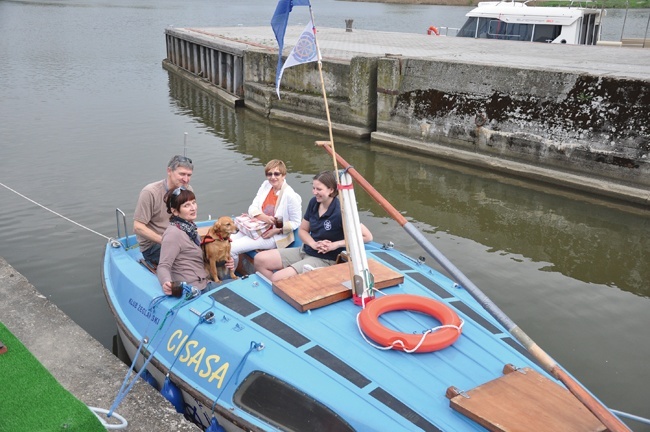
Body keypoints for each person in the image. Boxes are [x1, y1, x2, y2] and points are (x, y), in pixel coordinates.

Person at [254, 170, 372, 282]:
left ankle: (283, 287)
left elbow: (367, 236)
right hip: (306, 250)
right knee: (260, 260)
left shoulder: (342, 210)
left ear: (331, 190)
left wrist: (335, 245)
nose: (314, 192)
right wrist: (313, 244)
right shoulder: (314, 202)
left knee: (277, 278)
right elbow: (303, 230)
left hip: (324, 259)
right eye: (313, 188)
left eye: (319, 189)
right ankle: (281, 289)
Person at [156, 187, 233, 295]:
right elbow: (164, 265)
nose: (193, 208)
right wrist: (166, 283)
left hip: (204, 280)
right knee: (243, 286)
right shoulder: (173, 234)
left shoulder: (190, 229)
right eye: (186, 205)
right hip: (196, 288)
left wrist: (226, 261)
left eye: (193, 203)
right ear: (175, 211)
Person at [230, 160, 302, 268]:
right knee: (228, 241)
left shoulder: (290, 195)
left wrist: (277, 230)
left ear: (284, 175)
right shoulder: (266, 185)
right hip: (257, 228)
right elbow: (252, 207)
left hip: (273, 235)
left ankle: (232, 276)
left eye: (276, 174)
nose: (273, 177)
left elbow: (296, 222)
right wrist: (264, 218)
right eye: (269, 174)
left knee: (231, 248)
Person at [134, 155, 194, 265]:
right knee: (187, 261)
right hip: (154, 245)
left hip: (178, 239)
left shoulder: (187, 190)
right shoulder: (150, 192)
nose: (186, 179)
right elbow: (138, 227)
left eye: (189, 175)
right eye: (182, 174)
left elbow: (189, 219)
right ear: (169, 171)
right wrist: (166, 242)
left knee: (205, 252)